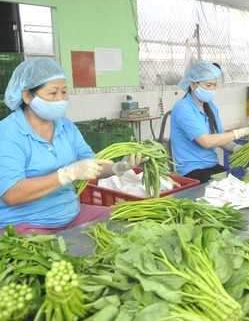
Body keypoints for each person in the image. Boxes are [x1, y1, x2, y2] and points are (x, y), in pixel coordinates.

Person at [0, 58, 146, 235]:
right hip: (26, 223)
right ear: (27, 96)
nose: (61, 99)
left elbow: (91, 164)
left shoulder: (65, 126)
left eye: (64, 92)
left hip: (72, 215)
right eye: (53, 93)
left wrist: (117, 167)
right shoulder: (8, 133)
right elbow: (12, 194)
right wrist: (66, 175)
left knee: (131, 225)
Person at [171, 61, 249, 183]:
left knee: (239, 183)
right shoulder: (183, 108)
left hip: (212, 166)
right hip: (192, 171)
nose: (213, 89)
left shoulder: (210, 107)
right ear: (193, 85)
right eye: (208, 86)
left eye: (215, 85)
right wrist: (242, 132)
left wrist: (241, 150)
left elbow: (221, 140)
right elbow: (207, 142)